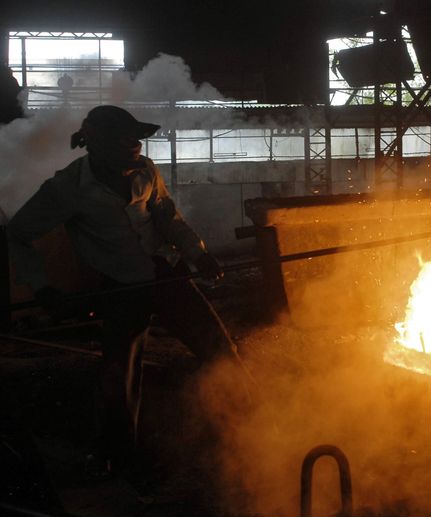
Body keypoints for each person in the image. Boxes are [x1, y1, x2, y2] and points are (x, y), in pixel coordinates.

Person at [6, 105, 249, 475]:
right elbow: (18, 235)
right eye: (126, 140)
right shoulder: (67, 188)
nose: (136, 146)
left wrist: (198, 255)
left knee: (218, 347)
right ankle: (117, 457)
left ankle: (254, 429)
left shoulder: (146, 170)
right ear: (98, 144)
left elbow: (167, 217)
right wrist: (41, 287)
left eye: (136, 139)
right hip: (120, 288)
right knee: (120, 375)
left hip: (167, 275)